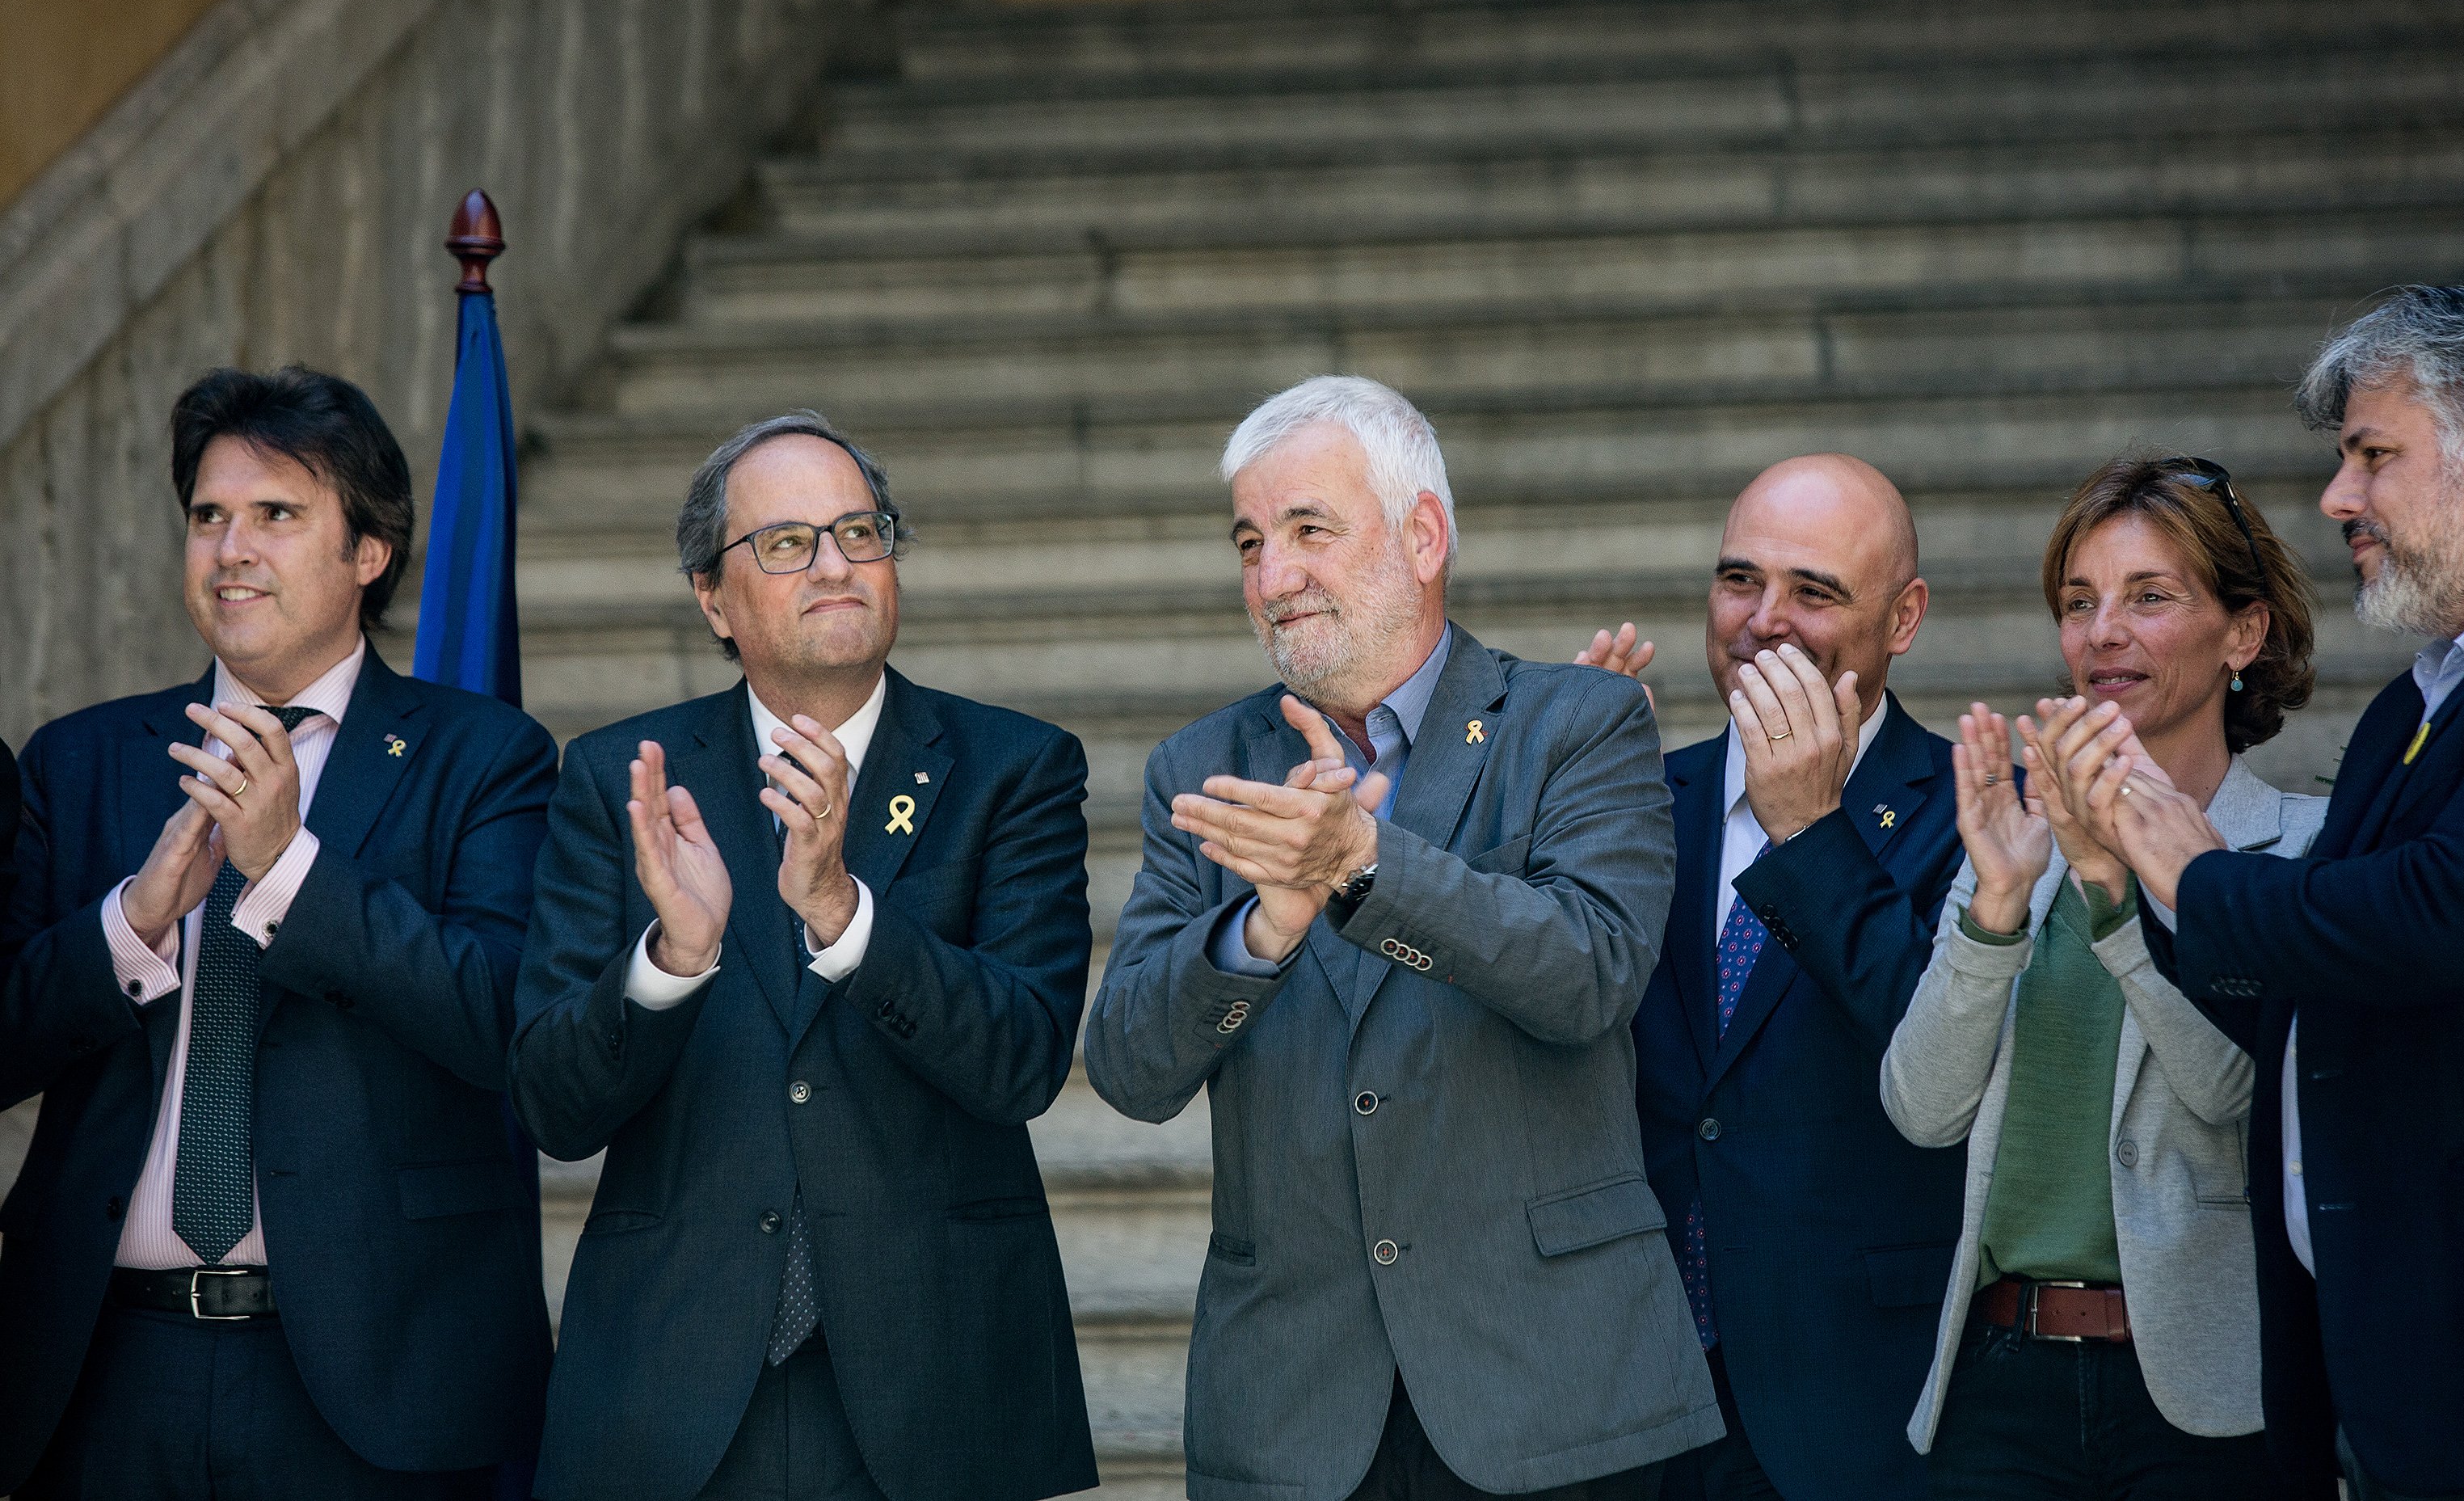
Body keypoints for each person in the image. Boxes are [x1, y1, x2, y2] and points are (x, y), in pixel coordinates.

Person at [1086, 376, 1719, 1501]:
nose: (1273, 578)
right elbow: (1131, 1068)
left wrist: (1366, 866)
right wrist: (1260, 926)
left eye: (1309, 530)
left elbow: (1591, 974)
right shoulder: (1202, 768)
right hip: (1293, 1417)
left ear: (1423, 535)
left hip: (1551, 1394)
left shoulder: (1578, 721)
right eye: (1250, 542)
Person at [2058, 287, 2464, 1500]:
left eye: (2371, 455)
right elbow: (2314, 999)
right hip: (2388, 1366)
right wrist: (2133, 883)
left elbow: (2452, 908)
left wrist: (2190, 866)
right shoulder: (2419, 698)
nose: (2339, 498)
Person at [511, 411, 1097, 1501]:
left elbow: (1021, 1058)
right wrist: (670, 964)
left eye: (859, 531)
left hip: (938, 1385)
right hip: (673, 1385)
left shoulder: (1013, 768)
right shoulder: (617, 777)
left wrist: (845, 914)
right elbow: (552, 1104)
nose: (834, 563)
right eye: (785, 542)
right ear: (711, 595)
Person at [0, 367, 558, 1499]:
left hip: (370, 1386)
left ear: (370, 552)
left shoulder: (486, 757)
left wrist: (292, 871)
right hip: (102, 1372)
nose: (230, 548)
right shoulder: (81, 758)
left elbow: (505, 1022)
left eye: (277, 514)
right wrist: (130, 925)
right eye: (208, 515)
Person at [1882, 455, 2327, 1500]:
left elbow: (2237, 1093)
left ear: (2244, 633)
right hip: (1999, 1388)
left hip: (2208, 1396)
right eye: (2079, 602)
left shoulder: (2303, 856)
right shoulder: (2012, 843)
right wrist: (1997, 904)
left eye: (2149, 596)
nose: (2101, 632)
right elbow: (1920, 1106)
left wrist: (2116, 904)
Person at [1582, 454, 1968, 1501]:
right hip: (1645, 1404)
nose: (1764, 619)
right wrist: (1557, 806)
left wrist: (1810, 830)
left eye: (1816, 590)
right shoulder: (1638, 799)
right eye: (1739, 578)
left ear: (1904, 617)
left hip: (1859, 1402)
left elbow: (1945, 1058)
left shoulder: (1976, 807)